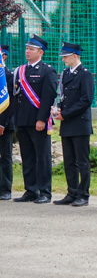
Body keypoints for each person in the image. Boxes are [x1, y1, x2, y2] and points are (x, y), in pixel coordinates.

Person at [12, 35, 57, 204]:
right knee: (28, 157)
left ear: (41, 52)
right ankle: (30, 190)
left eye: (31, 49)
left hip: (38, 121)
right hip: (23, 120)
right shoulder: (21, 70)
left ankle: (45, 192)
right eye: (27, 48)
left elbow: (48, 97)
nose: (27, 51)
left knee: (42, 157)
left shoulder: (47, 71)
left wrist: (42, 119)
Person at [53, 42, 94, 207]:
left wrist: (65, 114)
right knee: (69, 160)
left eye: (66, 56)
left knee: (82, 161)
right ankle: (72, 192)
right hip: (67, 123)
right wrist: (58, 110)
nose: (63, 59)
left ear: (75, 56)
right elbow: (64, 97)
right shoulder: (65, 74)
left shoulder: (85, 74)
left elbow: (86, 100)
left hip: (79, 123)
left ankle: (83, 194)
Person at [0, 44, 15, 201]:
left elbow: (9, 103)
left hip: (3, 124)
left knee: (4, 156)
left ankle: (5, 189)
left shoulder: (8, 76)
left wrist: (2, 124)